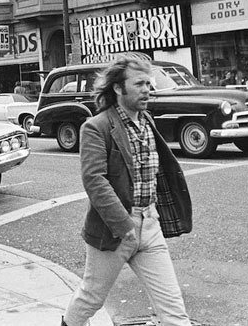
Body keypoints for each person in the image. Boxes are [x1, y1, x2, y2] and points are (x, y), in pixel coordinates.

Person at [62, 56, 192, 326]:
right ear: (119, 89)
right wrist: (125, 226)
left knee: (174, 311)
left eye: (149, 83)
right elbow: (94, 181)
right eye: (139, 83)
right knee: (90, 299)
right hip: (115, 230)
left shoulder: (147, 121)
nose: (147, 89)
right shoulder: (96, 127)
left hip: (150, 225)